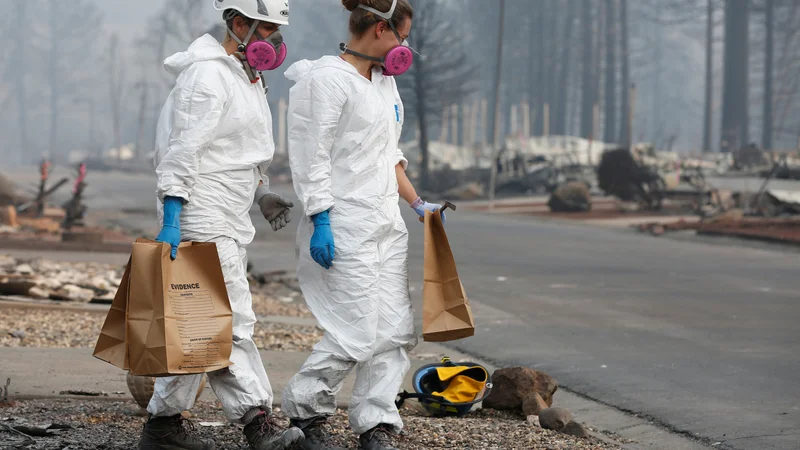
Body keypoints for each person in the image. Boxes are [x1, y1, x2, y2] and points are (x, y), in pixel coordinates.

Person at [281, 1, 445, 449]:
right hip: (343, 220)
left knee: (393, 329)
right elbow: (310, 159)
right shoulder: (324, 81)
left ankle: (378, 423)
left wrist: (417, 204)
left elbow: (387, 155)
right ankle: (305, 413)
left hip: (385, 222)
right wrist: (320, 219)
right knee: (354, 329)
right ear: (379, 29)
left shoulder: (384, 83)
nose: (404, 48)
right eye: (402, 37)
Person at [141, 1, 302, 449]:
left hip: (228, 213)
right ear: (238, 24)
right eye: (267, 29)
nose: (274, 41)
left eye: (276, 31)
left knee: (194, 324)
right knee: (229, 320)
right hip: (199, 212)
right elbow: (182, 151)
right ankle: (257, 420)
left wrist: (260, 193)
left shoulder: (247, 77)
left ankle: (163, 428)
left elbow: (236, 152)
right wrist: (173, 217)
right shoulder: (207, 76)